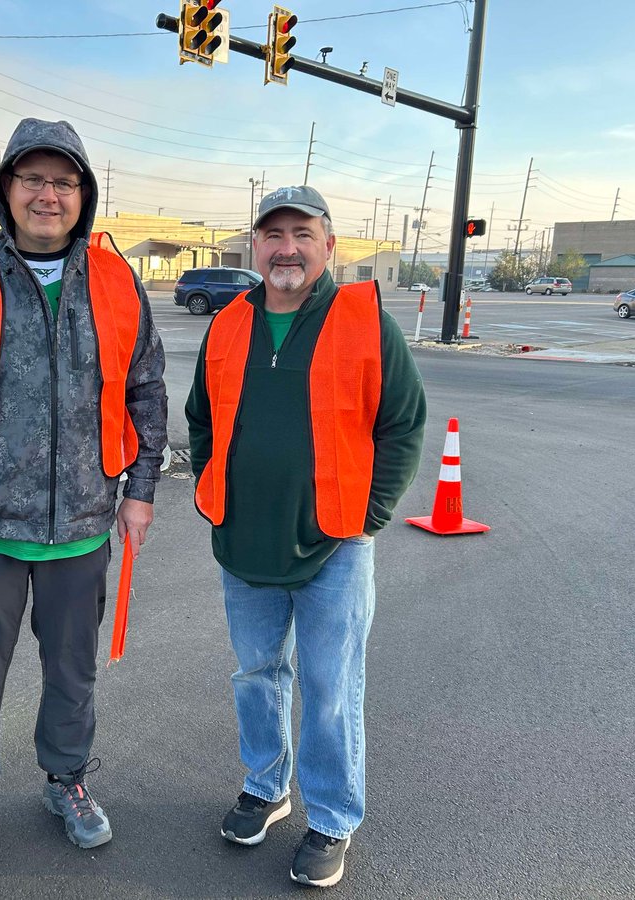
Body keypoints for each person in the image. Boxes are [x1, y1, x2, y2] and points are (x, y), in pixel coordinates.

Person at [0, 117, 167, 870]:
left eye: (64, 181)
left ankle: (68, 780)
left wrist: (140, 490)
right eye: (33, 179)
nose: (48, 195)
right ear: (6, 191)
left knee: (73, 672)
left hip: (84, 525)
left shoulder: (116, 279)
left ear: (83, 194)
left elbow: (146, 386)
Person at [185, 186, 426, 888]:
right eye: (273, 234)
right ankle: (266, 786)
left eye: (302, 233)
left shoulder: (363, 320)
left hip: (336, 545)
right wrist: (211, 488)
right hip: (245, 537)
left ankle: (331, 818)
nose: (285, 247)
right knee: (257, 674)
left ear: (328, 245)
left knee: (328, 685)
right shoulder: (229, 322)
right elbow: (202, 417)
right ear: (256, 246)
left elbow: (404, 424)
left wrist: (369, 515)